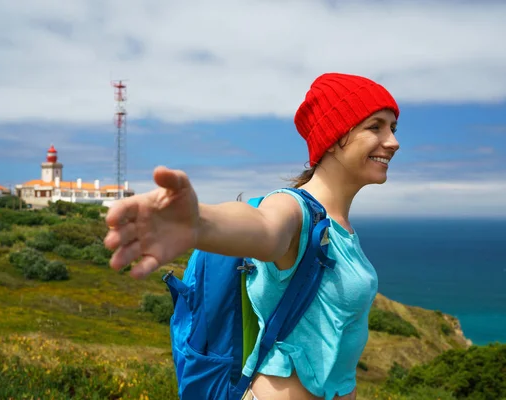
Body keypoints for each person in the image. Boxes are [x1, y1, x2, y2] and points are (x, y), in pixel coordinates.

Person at [104, 72, 400, 400]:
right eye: (376, 126)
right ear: (334, 136)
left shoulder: (340, 227)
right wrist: (200, 225)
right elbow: (265, 228)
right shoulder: (296, 210)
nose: (393, 141)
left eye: (393, 128)